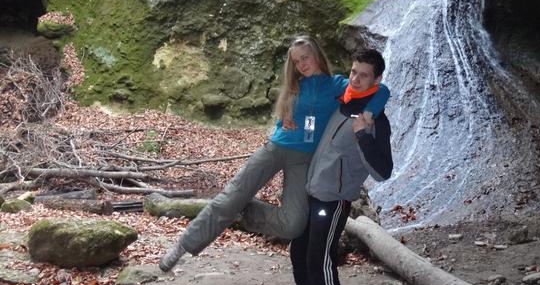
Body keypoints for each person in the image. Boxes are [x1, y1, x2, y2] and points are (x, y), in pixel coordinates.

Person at [159, 36, 390, 272]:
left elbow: (382, 90)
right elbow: (288, 116)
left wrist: (369, 113)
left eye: (305, 58)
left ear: (317, 56)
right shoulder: (295, 85)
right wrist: (284, 120)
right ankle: (184, 244)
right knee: (231, 196)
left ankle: (243, 211)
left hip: (304, 160)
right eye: (296, 61)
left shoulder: (338, 85)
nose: (301, 64)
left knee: (293, 225)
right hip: (277, 148)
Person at [279, 48, 393, 285]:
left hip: (333, 201)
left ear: (377, 80)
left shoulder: (375, 121)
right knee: (299, 249)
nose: (355, 79)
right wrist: (300, 128)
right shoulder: (342, 101)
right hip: (312, 190)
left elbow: (383, 171)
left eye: (364, 75)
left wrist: (363, 136)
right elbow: (315, 128)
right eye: (353, 72)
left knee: (320, 261)